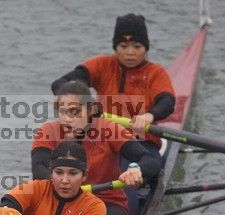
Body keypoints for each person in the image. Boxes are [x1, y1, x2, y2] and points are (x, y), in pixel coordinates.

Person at [31, 83, 161, 215]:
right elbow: (39, 169)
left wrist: (136, 169)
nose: (67, 119)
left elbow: (150, 159)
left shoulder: (109, 129)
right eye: (63, 112)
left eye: (74, 112)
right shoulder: (48, 131)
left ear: (90, 110)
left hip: (108, 204)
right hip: (63, 204)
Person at [51, 13, 175, 154]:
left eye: (137, 46)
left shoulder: (156, 72)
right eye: (123, 46)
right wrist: (83, 102)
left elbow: (167, 102)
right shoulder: (102, 65)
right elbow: (60, 84)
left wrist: (149, 116)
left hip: (141, 138)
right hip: (102, 137)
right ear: (115, 47)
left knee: (140, 168)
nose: (130, 52)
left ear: (146, 48)